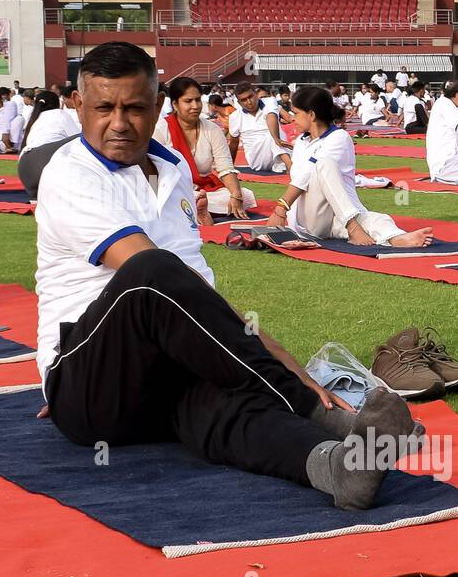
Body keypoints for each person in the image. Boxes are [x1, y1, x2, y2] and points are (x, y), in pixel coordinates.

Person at [34, 41, 421, 506]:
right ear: (78, 106)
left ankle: (339, 469)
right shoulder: (69, 173)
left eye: (135, 108)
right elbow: (156, 278)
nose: (118, 123)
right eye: (103, 108)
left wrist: (282, 358)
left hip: (161, 380)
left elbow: (193, 295)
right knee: (151, 270)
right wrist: (286, 373)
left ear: (158, 106)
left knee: (226, 406)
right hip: (91, 383)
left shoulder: (173, 167)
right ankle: (315, 413)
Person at [265, 86, 432, 248]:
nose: (292, 118)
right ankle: (353, 227)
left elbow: (309, 172)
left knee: (377, 220)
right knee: (323, 164)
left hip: (338, 215)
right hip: (310, 218)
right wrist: (282, 208)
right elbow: (305, 175)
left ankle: (397, 238)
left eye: (297, 113)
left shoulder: (339, 137)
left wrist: (281, 207)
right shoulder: (301, 142)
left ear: (312, 115)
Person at [152, 75, 255, 220]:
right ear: (175, 105)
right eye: (188, 101)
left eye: (197, 100)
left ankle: (195, 209)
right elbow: (151, 170)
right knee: (170, 198)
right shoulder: (161, 129)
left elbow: (225, 168)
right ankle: (196, 209)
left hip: (205, 191)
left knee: (244, 196)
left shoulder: (212, 129)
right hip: (172, 189)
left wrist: (236, 195)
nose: (195, 106)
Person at [228, 83, 291, 174]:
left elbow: (272, 117)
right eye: (244, 100)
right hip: (258, 159)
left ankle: (288, 163)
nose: (249, 102)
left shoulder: (270, 101)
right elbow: (234, 143)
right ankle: (289, 165)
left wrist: (276, 139)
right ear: (239, 103)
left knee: (275, 132)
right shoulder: (235, 116)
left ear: (256, 94)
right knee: (272, 135)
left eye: (250, 97)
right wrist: (229, 167)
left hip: (279, 149)